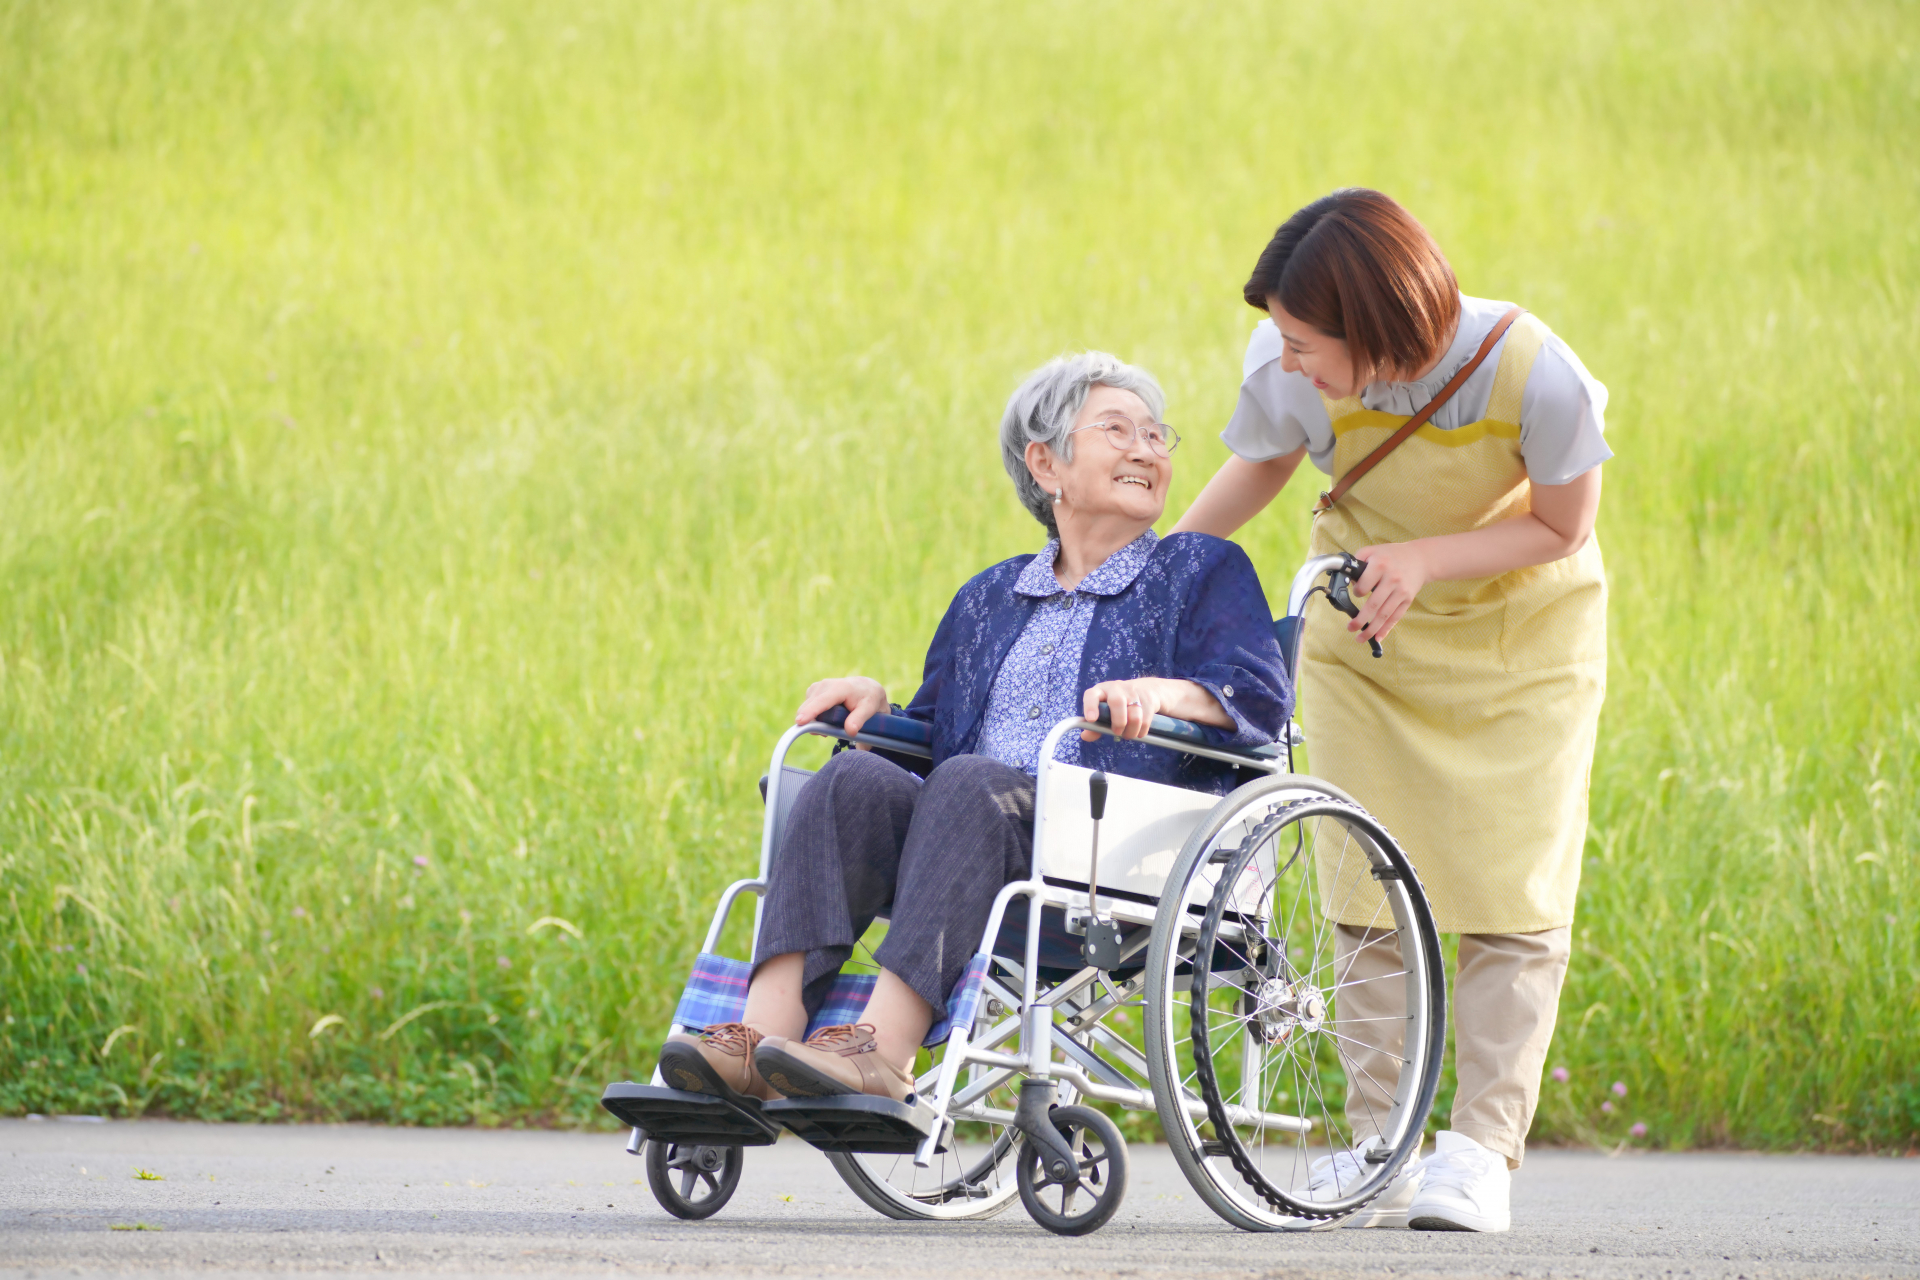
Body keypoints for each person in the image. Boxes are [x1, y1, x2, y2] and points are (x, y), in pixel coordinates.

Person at [658, 352, 1292, 1106]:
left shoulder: (1200, 568)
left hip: (1107, 848)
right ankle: (758, 1043)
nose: (1147, 449)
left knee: (968, 784)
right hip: (964, 838)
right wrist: (873, 701)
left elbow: (1257, 697)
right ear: (1045, 462)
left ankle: (883, 1053)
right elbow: (935, 733)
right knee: (853, 776)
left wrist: (1162, 694)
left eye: (1158, 436)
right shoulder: (990, 596)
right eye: (1118, 429)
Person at [1171, 189, 1609, 1233]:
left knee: (1515, 891)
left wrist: (1425, 556)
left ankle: (1480, 1152)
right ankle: (1382, 1142)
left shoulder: (1534, 370)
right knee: (1362, 878)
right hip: (1366, 634)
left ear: (1375, 326)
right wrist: (1165, 575)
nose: (1288, 363)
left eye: (1304, 343)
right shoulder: (1294, 371)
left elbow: (1561, 524)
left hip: (1523, 643)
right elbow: (1266, 462)